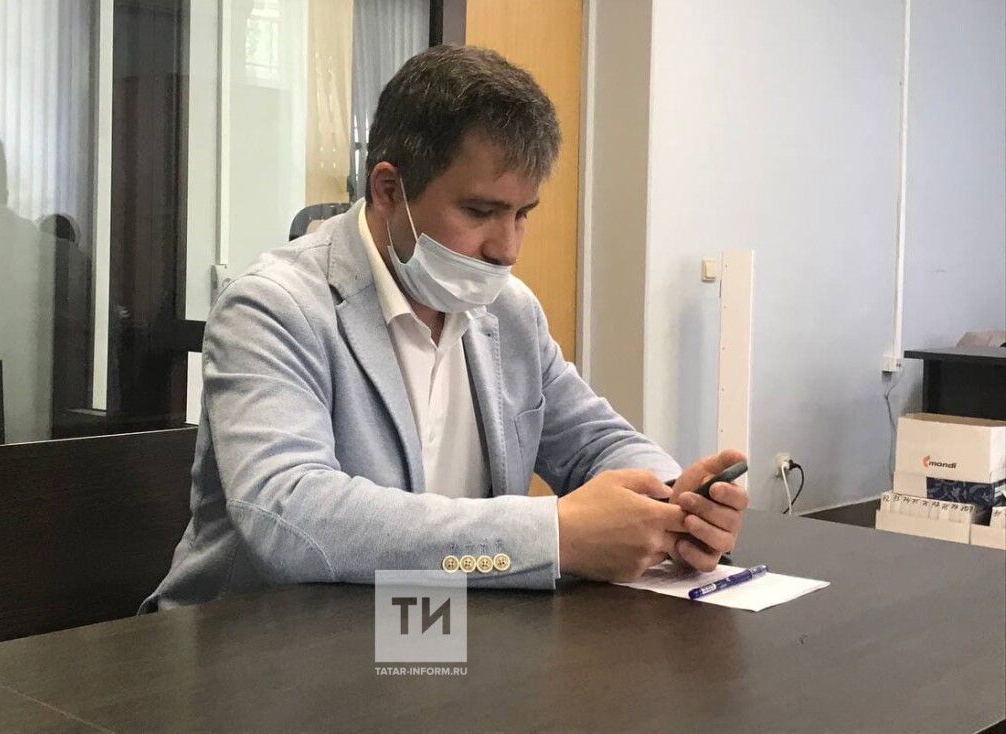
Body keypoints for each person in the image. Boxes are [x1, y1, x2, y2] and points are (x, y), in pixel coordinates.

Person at [143, 45, 747, 611]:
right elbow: (288, 514)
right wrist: (554, 535)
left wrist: (676, 503)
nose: (506, 248)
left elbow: (593, 441)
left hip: (424, 629)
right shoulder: (273, 307)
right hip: (258, 646)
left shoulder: (509, 312)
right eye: (481, 211)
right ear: (389, 189)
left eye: (522, 215)